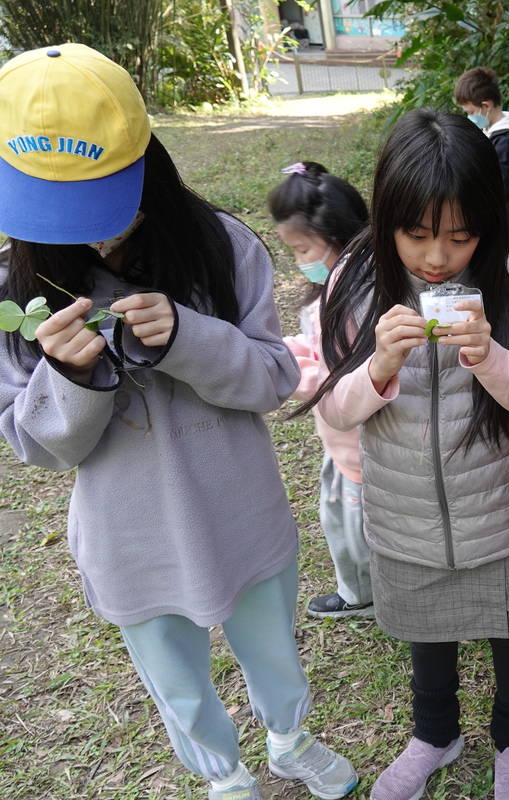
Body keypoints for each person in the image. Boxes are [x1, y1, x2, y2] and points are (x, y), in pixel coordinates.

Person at [0, 45, 356, 800]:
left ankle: (290, 739)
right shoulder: (16, 292)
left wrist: (190, 337)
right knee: (177, 681)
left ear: (146, 164)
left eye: (103, 203)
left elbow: (274, 379)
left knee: (274, 651)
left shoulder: (221, 248)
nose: (93, 237)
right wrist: (70, 376)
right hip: (132, 540)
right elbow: (36, 445)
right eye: (59, 209)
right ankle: (224, 778)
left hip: (242, 512)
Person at [298, 108, 509, 800]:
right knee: (427, 639)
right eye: (416, 235)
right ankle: (434, 734)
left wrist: (493, 360)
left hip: (498, 511)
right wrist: (379, 365)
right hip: (406, 515)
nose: (437, 258)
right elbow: (333, 407)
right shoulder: (356, 286)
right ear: (387, 221)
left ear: (487, 226)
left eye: (459, 237)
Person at [268, 160, 373, 619]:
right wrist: (285, 350)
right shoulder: (335, 285)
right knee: (340, 518)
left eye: (302, 248)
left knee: (359, 528)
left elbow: (348, 376)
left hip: (359, 444)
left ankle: (368, 597)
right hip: (341, 443)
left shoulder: (355, 293)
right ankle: (359, 592)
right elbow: (320, 349)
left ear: (337, 236)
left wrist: (292, 374)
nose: (299, 261)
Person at [454, 66, 509, 249]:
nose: (469, 117)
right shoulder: (489, 132)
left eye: (470, 112)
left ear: (486, 106)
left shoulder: (506, 141)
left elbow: (501, 186)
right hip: (486, 222)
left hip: (499, 227)